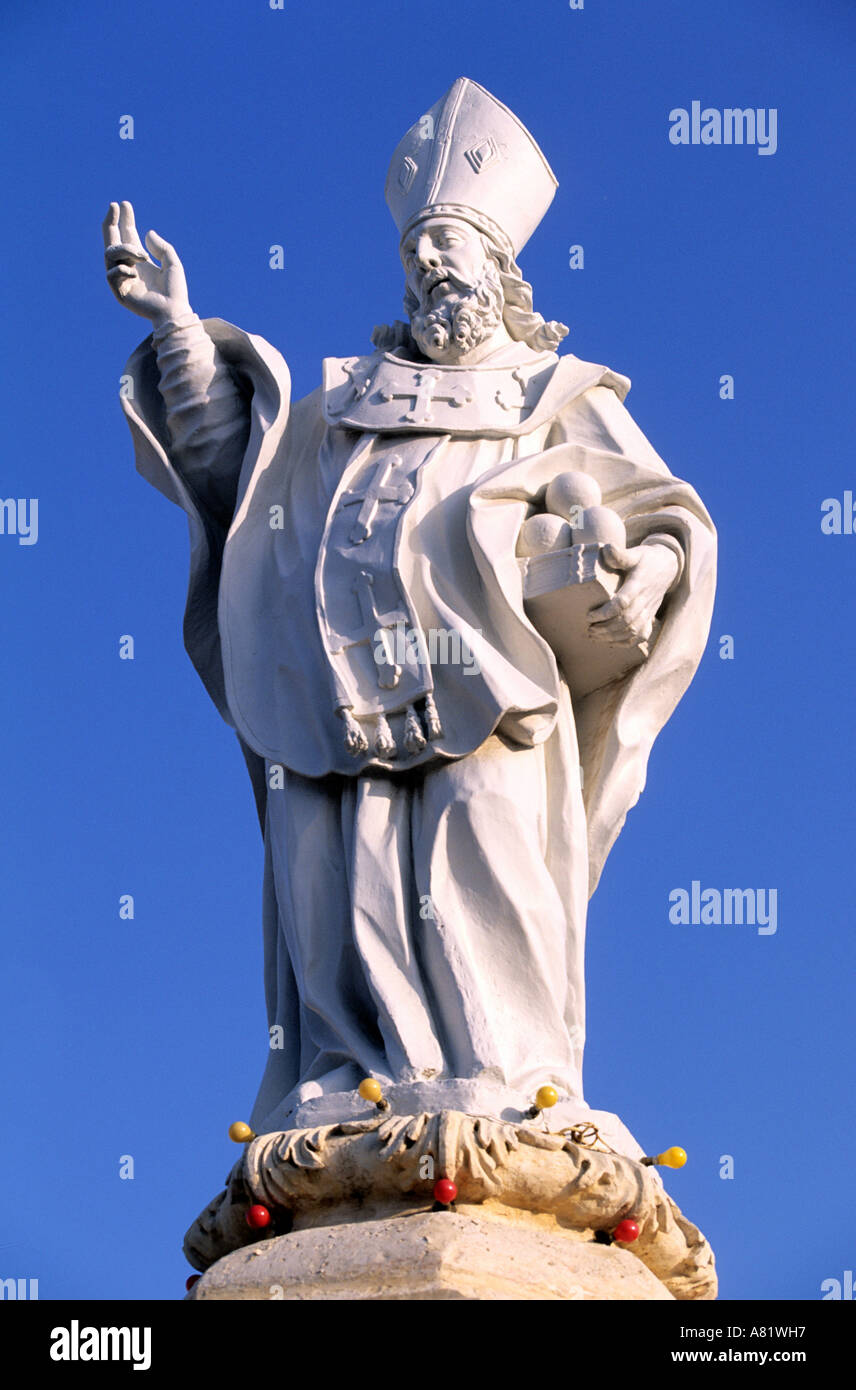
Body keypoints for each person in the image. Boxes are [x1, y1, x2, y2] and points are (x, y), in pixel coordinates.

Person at [103, 78, 716, 1136]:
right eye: (418, 243)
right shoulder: (342, 402)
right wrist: (177, 334)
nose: (430, 259)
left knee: (486, 859)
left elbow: (666, 521)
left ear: (499, 265)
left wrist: (646, 574)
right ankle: (351, 1072)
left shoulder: (556, 394)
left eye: (451, 241)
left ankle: (511, 1077)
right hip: (330, 691)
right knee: (340, 890)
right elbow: (230, 483)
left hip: (491, 685)